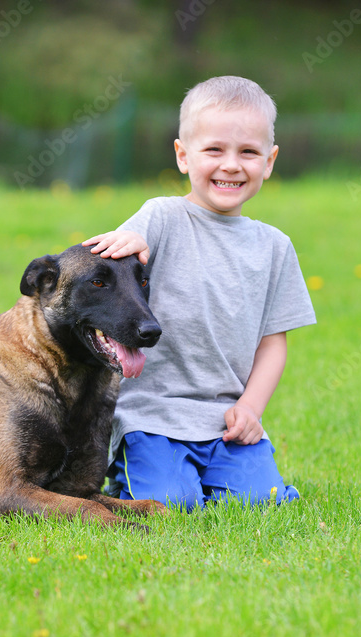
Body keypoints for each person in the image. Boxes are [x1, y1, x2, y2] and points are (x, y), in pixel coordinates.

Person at [83, 75, 316, 511]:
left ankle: (234, 470)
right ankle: (125, 478)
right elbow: (130, 238)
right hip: (153, 415)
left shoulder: (275, 246)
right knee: (173, 503)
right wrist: (131, 238)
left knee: (261, 504)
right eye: (214, 150)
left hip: (228, 420)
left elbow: (273, 343)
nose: (231, 165)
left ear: (269, 161)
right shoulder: (164, 216)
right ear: (183, 155)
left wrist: (252, 407)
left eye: (248, 152)